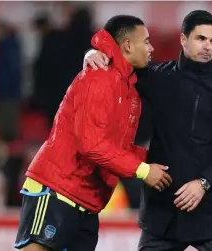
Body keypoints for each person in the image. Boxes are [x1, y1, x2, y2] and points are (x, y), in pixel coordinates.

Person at [84, 10, 212, 251]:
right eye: (200, 39)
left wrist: (203, 183)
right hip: (164, 209)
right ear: (183, 40)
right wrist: (94, 53)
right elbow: (119, 65)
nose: (208, 47)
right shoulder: (159, 77)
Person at [14, 15, 172, 251]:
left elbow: (116, 149)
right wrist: (143, 170)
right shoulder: (99, 77)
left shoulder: (130, 93)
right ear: (128, 45)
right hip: (58, 188)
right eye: (146, 41)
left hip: (87, 201)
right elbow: (93, 145)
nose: (151, 48)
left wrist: (159, 162)